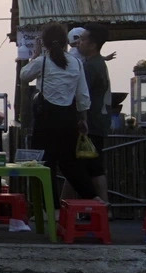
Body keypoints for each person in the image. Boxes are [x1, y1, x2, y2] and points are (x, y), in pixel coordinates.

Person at [19, 23, 96, 203]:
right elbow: (83, 95)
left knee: (45, 163)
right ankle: (93, 198)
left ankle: (50, 208)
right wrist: (83, 119)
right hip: (68, 118)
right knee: (70, 163)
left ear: (44, 43)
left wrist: (35, 55)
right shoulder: (76, 62)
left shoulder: (42, 61)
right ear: (65, 43)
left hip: (46, 119)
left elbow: (24, 76)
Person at [71, 25, 112, 201]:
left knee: (93, 168)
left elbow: (82, 96)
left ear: (93, 44)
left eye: (83, 39)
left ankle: (103, 206)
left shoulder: (91, 66)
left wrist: (81, 119)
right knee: (78, 167)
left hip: (91, 123)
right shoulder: (96, 62)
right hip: (95, 121)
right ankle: (67, 207)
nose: (79, 42)